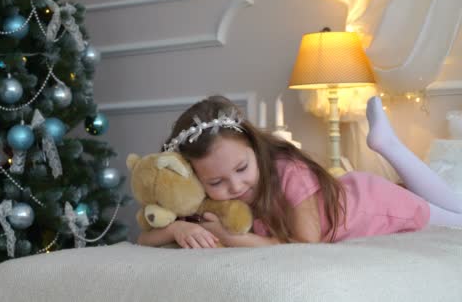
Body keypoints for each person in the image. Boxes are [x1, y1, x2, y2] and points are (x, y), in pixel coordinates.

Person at [137, 95, 462, 248]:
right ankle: (388, 143)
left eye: (241, 168)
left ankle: (388, 144)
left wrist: (229, 237)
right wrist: (175, 231)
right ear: (196, 179)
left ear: (255, 147)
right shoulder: (202, 199)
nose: (235, 185)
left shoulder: (285, 170)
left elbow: (305, 244)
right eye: (216, 182)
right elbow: (145, 237)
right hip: (354, 191)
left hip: (372, 204)